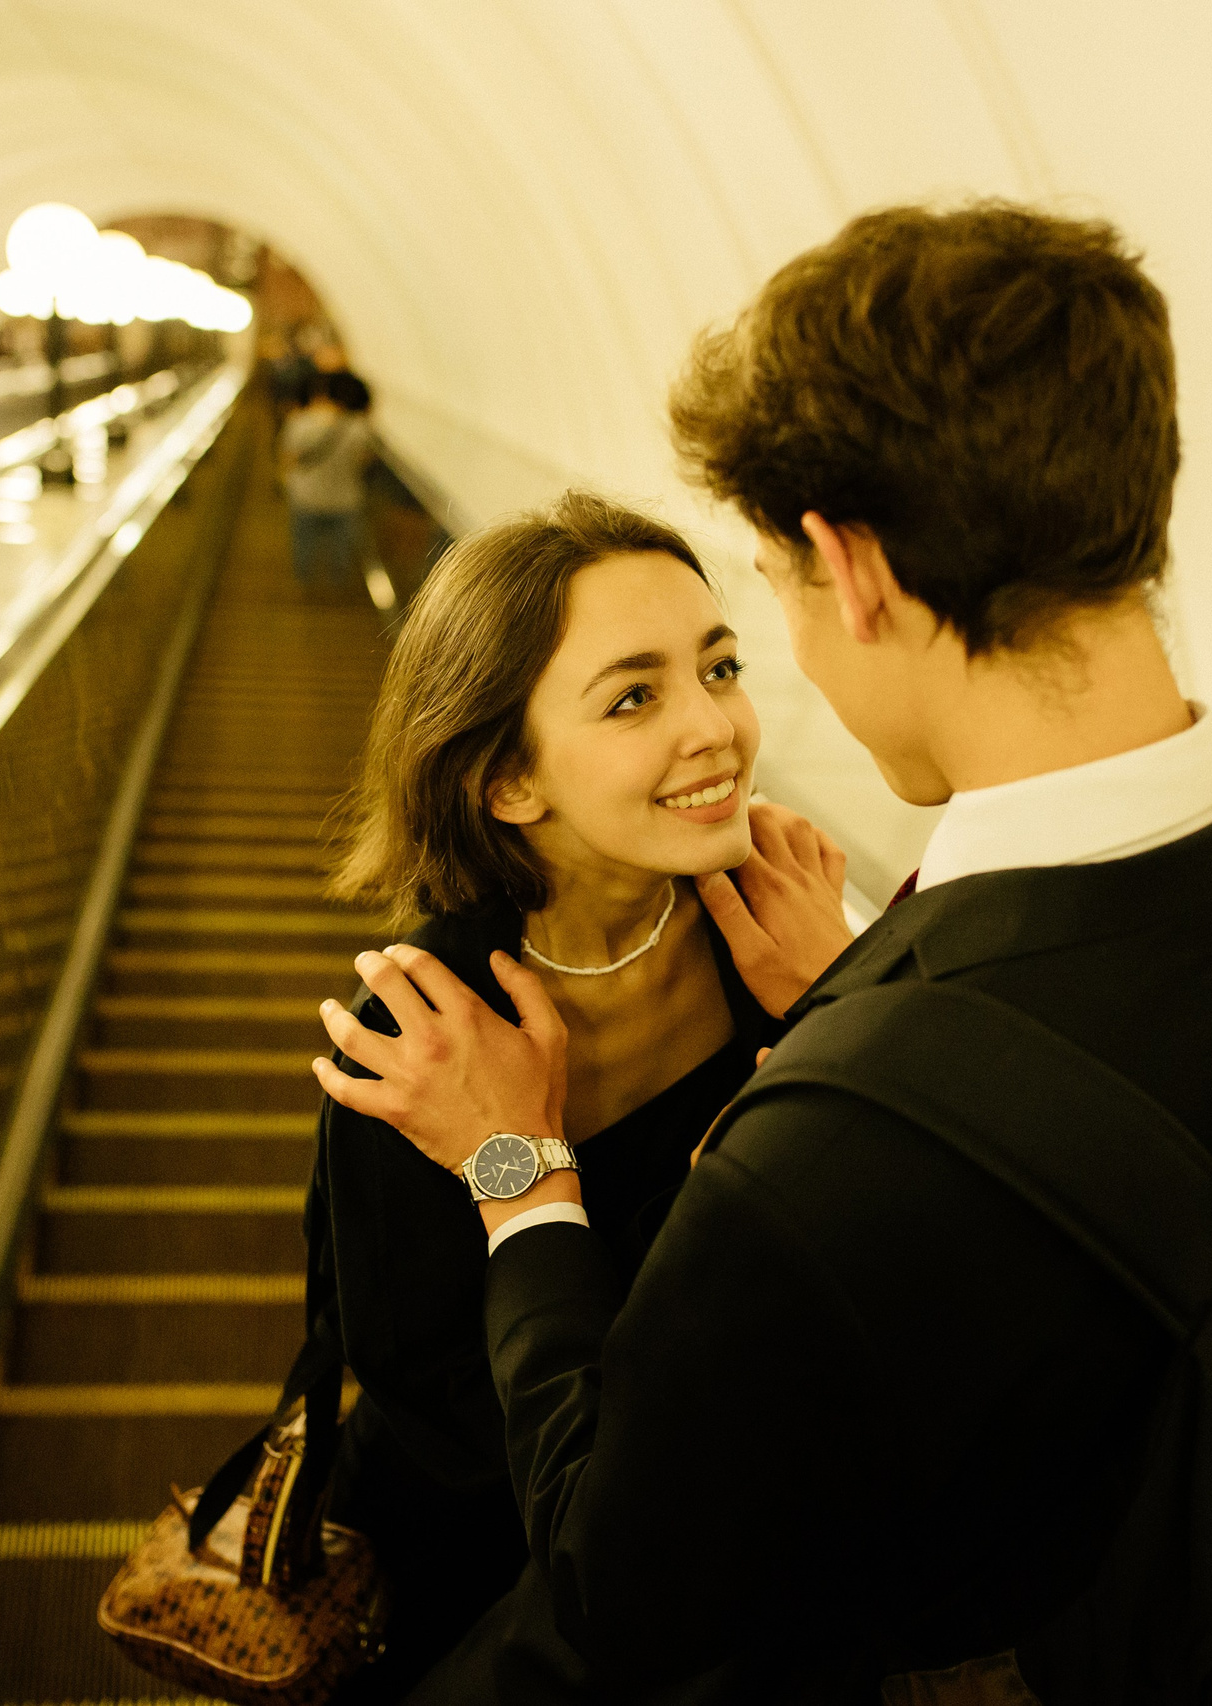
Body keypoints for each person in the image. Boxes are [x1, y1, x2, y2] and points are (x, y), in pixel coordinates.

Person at [314, 203, 1212, 1701]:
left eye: (764, 602)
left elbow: (615, 1589)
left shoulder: (837, 1141)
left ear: (851, 572)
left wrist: (525, 1178)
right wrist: (865, 983)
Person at [306, 491, 838, 1701]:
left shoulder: (776, 934)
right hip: (496, 1589)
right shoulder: (419, 1034)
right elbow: (432, 1405)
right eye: (634, 696)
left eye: (721, 666)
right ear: (507, 782)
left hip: (727, 1558)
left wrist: (843, 1007)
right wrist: (516, 1168)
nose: (716, 727)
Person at [280, 369, 379, 597]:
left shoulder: (301, 423)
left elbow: (288, 459)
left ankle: (304, 587)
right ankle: (337, 590)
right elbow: (365, 462)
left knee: (304, 545)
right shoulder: (360, 430)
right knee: (340, 549)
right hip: (345, 500)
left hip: (305, 496)